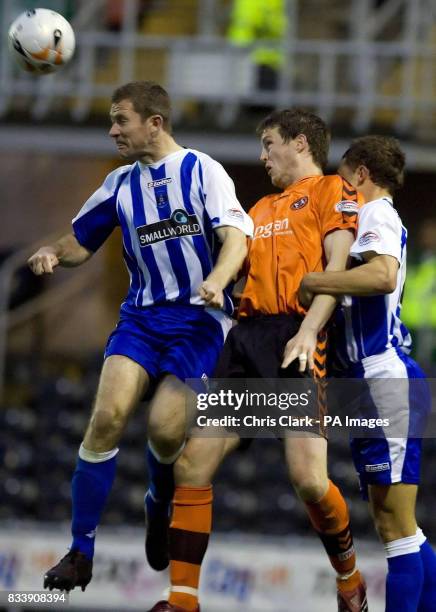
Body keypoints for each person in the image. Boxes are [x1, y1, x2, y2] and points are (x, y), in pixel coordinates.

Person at [27, 80, 253, 592]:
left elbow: (236, 239)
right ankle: (80, 551)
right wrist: (55, 254)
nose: (112, 130)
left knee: (164, 431)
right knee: (105, 417)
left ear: (155, 123)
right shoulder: (119, 183)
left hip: (199, 322)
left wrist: (217, 280)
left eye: (120, 120)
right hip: (141, 320)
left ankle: (158, 499)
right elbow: (81, 240)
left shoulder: (203, 171)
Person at [148, 109, 367, 612]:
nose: (263, 154)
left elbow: (335, 270)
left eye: (270, 143)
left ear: (300, 143)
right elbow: (231, 263)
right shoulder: (259, 209)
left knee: (309, 480)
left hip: (296, 333)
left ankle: (349, 578)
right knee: (192, 463)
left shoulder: (334, 192)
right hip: (246, 338)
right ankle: (182, 600)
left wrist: (310, 332)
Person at [299, 135, 436, 612]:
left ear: (359, 175)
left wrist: (317, 281)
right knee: (400, 526)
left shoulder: (376, 211)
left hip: (383, 377)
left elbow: (383, 276)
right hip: (367, 384)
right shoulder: (369, 216)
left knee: (395, 529)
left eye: (342, 177)